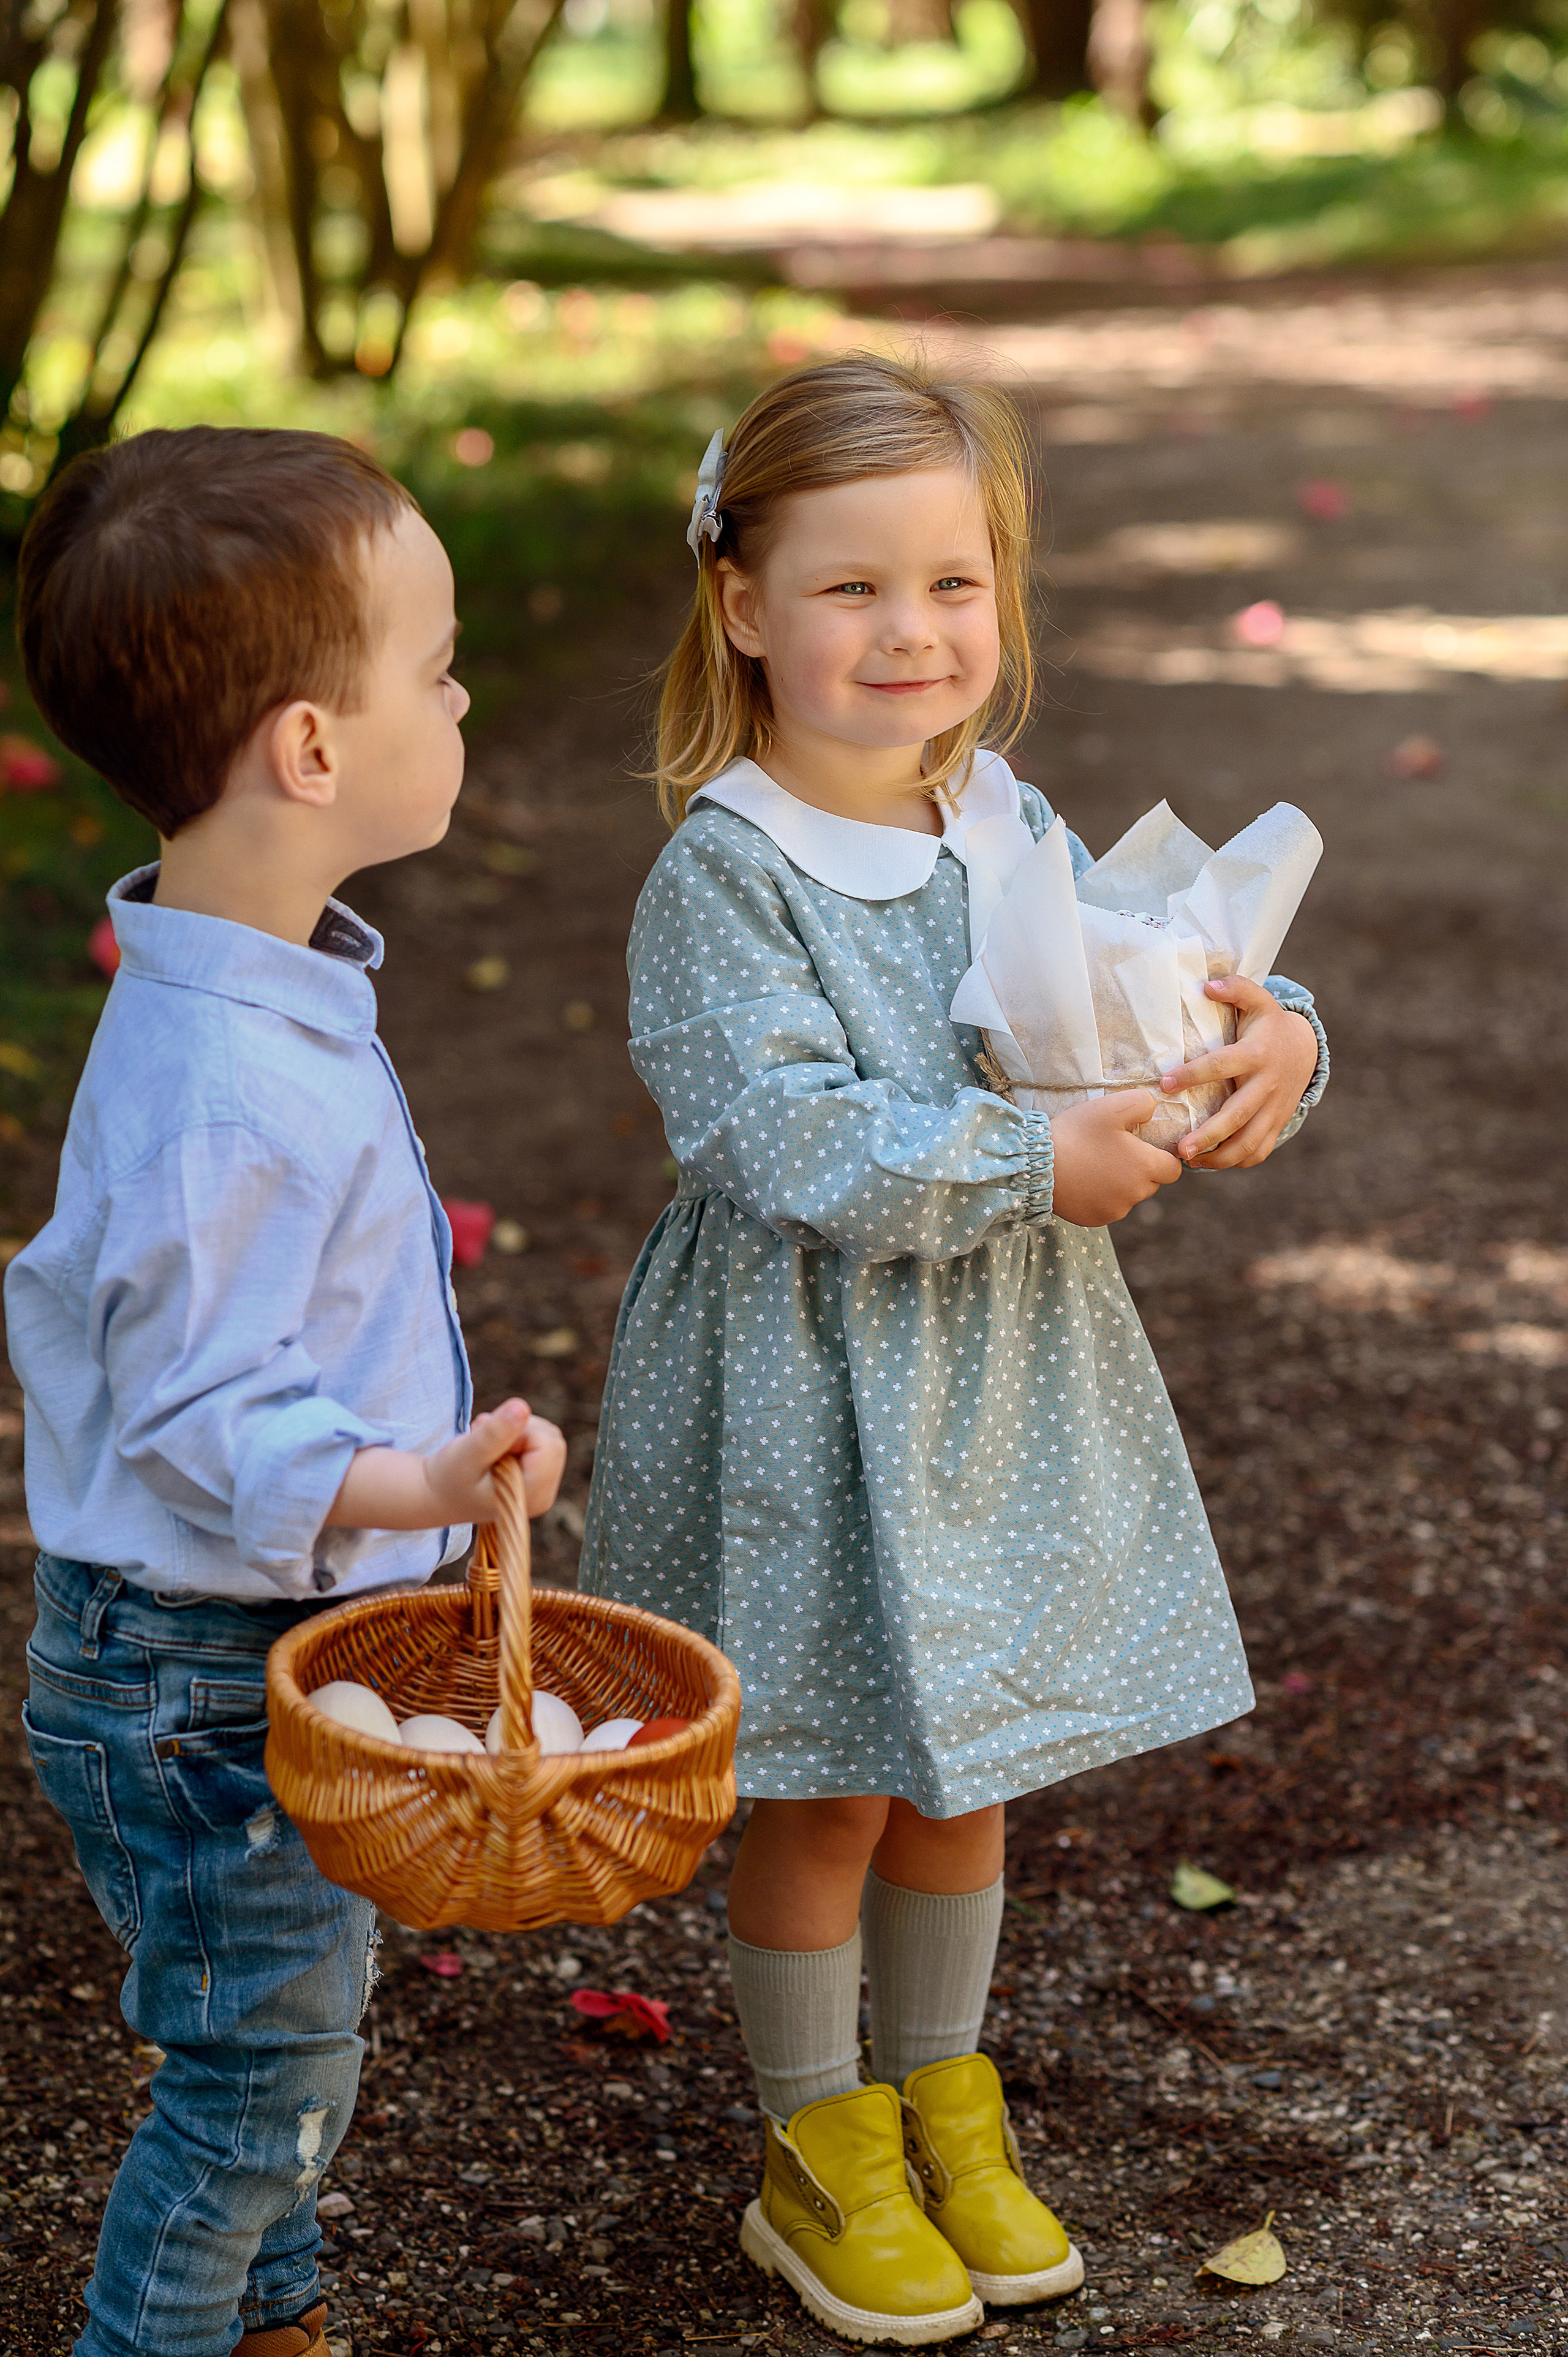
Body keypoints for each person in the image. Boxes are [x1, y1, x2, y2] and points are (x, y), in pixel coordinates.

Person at [580, 355, 1329, 2348]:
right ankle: (814, 2143)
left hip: (991, 1368)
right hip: (813, 1384)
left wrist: (1272, 1030)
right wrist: (1034, 1152)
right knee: (827, 1784)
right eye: (852, 590)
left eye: (954, 585)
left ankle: (940, 2096)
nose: (913, 635)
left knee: (966, 1760)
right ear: (743, 603)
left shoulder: (996, 810)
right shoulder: (723, 873)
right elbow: (780, 1133)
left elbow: (1126, 968)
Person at [4, 428, 567, 2357]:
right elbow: (200, 1406)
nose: (465, 693)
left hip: (236, 1641)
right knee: (256, 2075)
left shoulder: (264, 987)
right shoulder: (221, 1083)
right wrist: (411, 1473)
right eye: (437, 662)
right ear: (314, 751)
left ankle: (273, 2321)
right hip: (193, 1673)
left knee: (292, 2030)